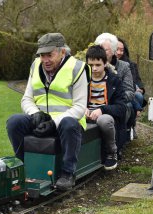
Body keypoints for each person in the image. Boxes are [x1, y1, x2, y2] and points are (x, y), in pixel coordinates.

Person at [6, 33, 90, 190]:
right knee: (14, 121)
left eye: (49, 55)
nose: (45, 60)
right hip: (41, 121)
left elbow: (79, 108)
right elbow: (26, 99)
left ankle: (67, 174)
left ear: (62, 52)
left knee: (69, 124)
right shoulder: (35, 65)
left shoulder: (77, 69)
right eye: (42, 55)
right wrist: (34, 114)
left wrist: (54, 123)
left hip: (66, 122)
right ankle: (24, 166)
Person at [85, 45, 126, 169]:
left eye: (98, 65)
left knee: (104, 120)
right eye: (91, 65)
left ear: (105, 63)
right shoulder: (82, 80)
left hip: (105, 115)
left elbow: (121, 108)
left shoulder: (114, 81)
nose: (94, 68)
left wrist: (102, 110)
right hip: (85, 114)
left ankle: (111, 152)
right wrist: (82, 108)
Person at [94, 33, 135, 149]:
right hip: (95, 104)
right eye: (99, 49)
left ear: (112, 51)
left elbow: (130, 92)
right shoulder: (91, 66)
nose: (102, 52)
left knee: (123, 108)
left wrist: (113, 98)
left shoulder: (123, 66)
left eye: (105, 50)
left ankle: (116, 146)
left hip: (116, 103)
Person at [116, 37, 146, 139]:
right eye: (117, 49)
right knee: (134, 96)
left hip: (131, 87)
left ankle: (131, 124)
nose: (119, 52)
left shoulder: (129, 64)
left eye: (122, 50)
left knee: (138, 95)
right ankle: (135, 112)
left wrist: (140, 88)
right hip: (122, 90)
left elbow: (136, 79)